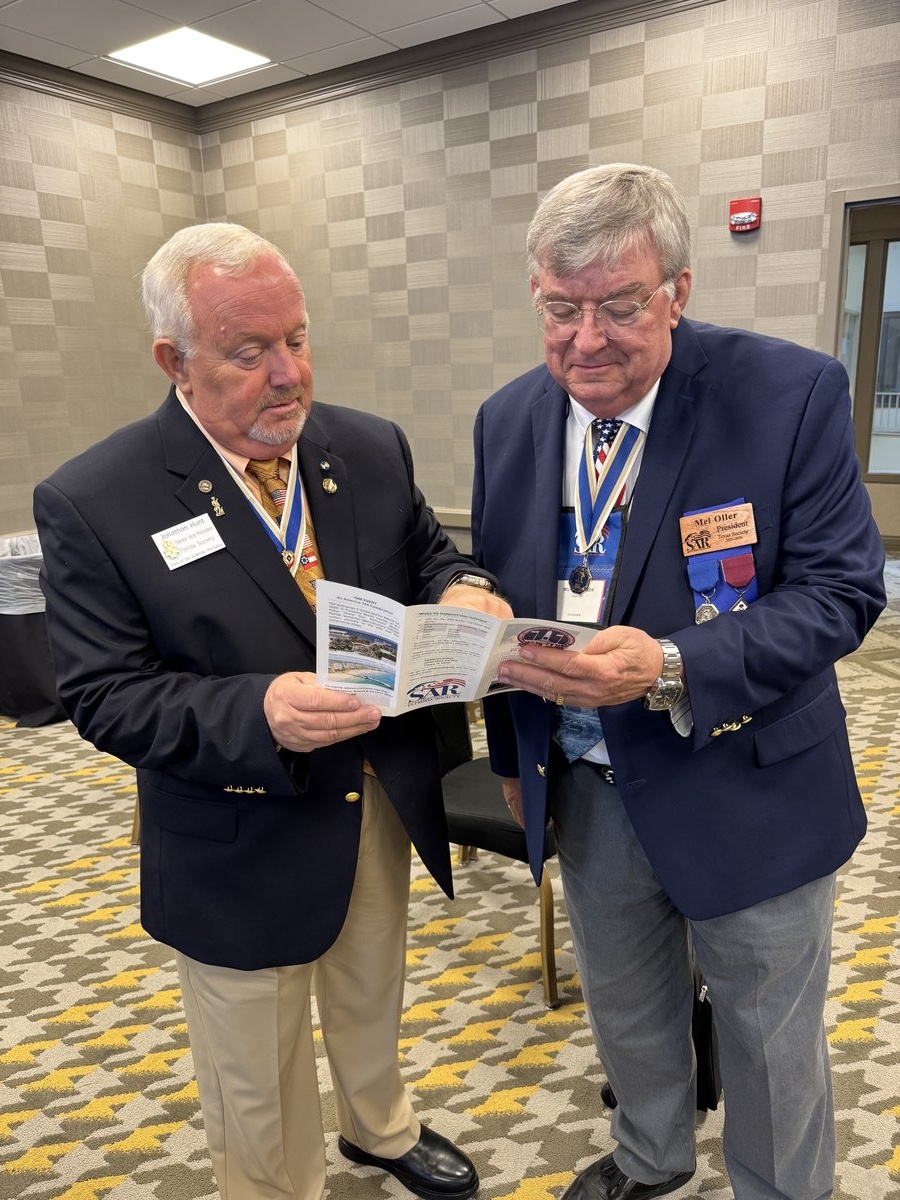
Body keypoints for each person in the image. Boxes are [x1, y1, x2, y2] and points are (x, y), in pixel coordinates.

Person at [33, 221, 511, 1200]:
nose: (288, 374)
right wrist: (261, 713)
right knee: (255, 1059)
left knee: (372, 985)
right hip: (238, 825)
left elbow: (430, 554)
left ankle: (379, 1128)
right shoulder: (96, 499)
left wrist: (467, 590)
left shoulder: (365, 446)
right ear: (175, 360)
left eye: (296, 338)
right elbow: (103, 694)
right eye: (248, 352)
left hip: (377, 789)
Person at [471, 164, 885, 1200]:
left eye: (620, 306)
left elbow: (840, 592)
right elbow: (500, 595)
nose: (586, 340)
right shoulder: (507, 419)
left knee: (767, 1032)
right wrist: (512, 756)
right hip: (586, 785)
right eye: (560, 309)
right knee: (626, 1002)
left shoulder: (787, 394)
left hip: (746, 778)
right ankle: (650, 1159)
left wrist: (668, 665)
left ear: (678, 292)